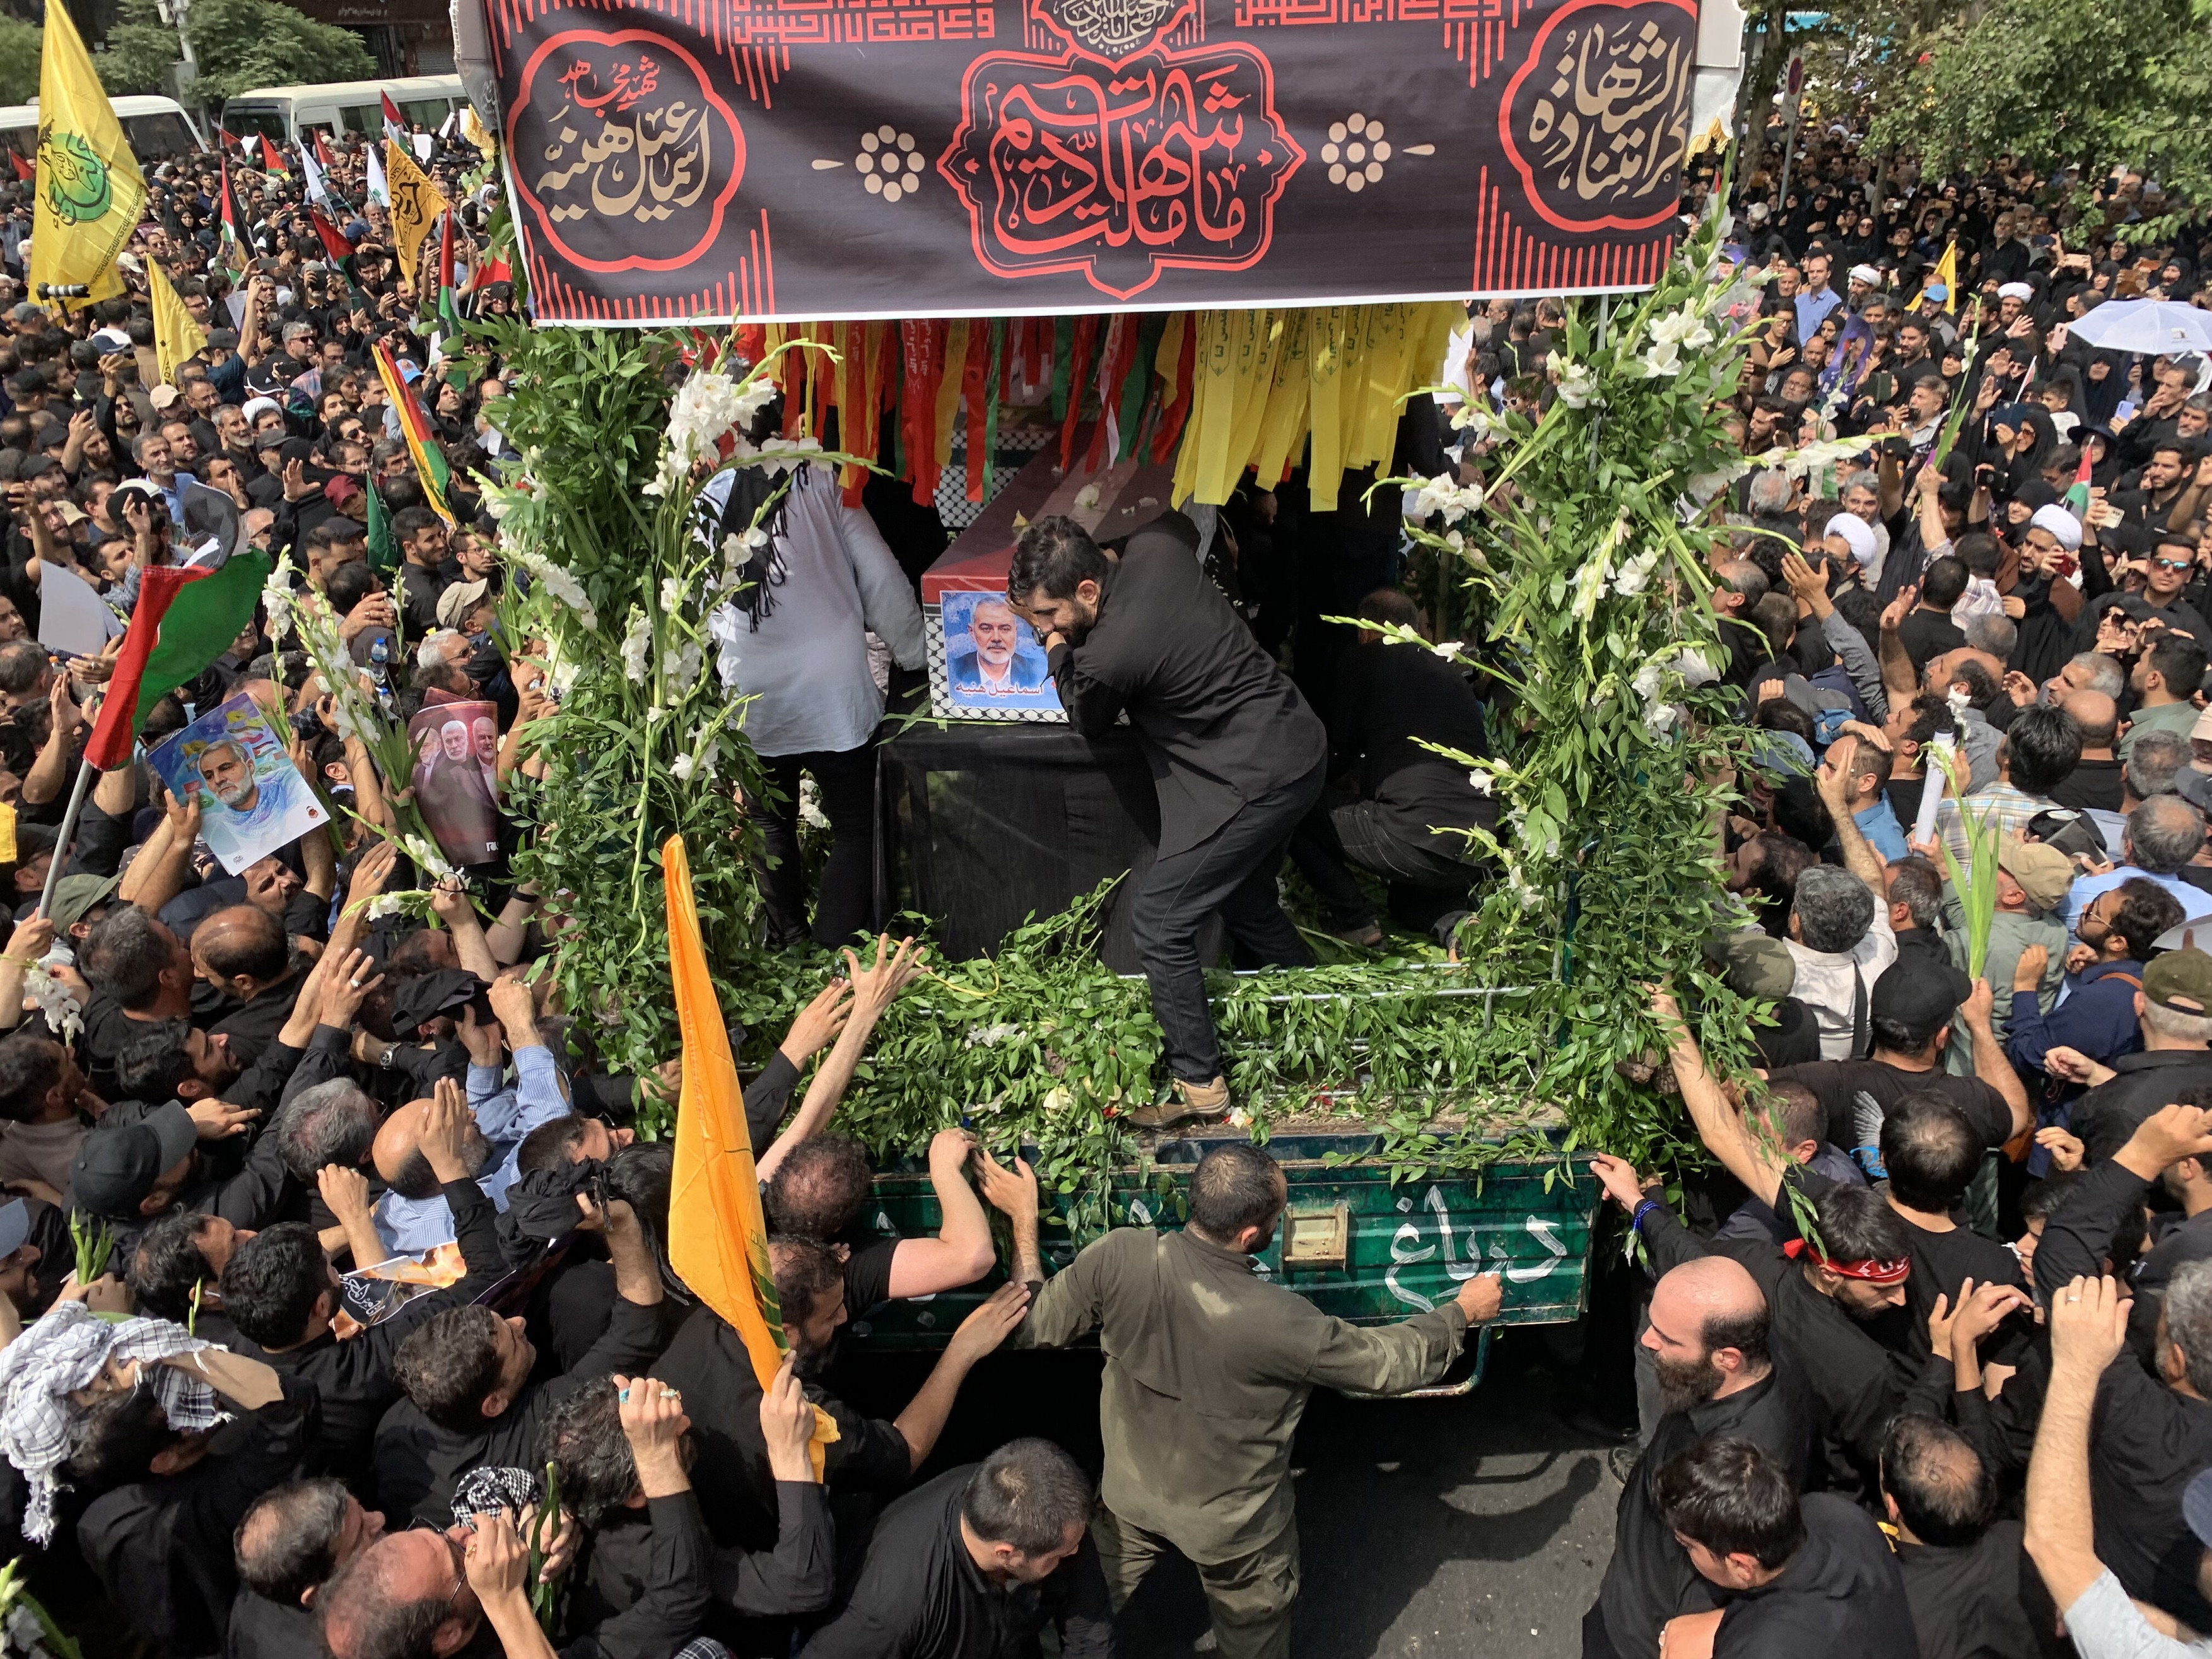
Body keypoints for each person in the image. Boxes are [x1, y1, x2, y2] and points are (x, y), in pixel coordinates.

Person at [1005, 1140, 1505, 1659]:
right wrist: (1461, 1313)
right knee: (1255, 1638)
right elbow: (1387, 1363)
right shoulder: (1281, 1322)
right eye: (1277, 1217)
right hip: (1235, 1533)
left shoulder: (1120, 1255)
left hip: (1131, 1499)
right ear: (1250, 1236)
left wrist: (1023, 1215)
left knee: (1079, 1610)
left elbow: (1033, 1322)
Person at [1009, 514, 1329, 1126]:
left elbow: (1086, 714)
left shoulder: (1108, 653)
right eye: (1032, 623)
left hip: (1255, 776)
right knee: (1248, 902)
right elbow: (1170, 525)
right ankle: (1320, 1006)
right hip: (1294, 739)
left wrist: (1056, 649)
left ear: (1087, 590)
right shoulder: (1158, 550)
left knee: (1160, 917)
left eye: (1046, 617)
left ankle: (1200, 1081)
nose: (1041, 631)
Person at [799, 1438, 1113, 1659]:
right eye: (1062, 1554)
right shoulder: (890, 1609)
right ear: (1007, 1552)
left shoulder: (1047, 1520)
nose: (1076, 1554)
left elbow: (1090, 1630)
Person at [1648, 1437, 1917, 1658]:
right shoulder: (1835, 1514)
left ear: (1742, 1565)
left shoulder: (1766, 1649)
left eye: (1688, 1546)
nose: (1683, 1550)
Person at [947, 594, 1051, 697]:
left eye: (1005, 629)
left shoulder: (1036, 671)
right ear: (971, 632)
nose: (996, 638)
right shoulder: (954, 669)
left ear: (1015, 631)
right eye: (986, 629)